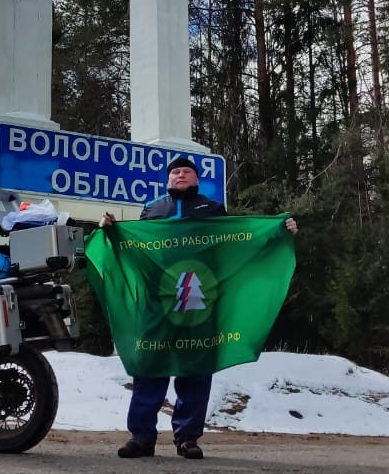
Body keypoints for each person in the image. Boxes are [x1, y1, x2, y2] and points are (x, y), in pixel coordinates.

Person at [100, 155, 297, 460]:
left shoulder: (213, 209)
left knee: (196, 368)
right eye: (175, 172)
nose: (180, 175)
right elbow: (137, 251)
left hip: (202, 301)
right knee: (150, 366)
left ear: (197, 179)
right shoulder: (153, 210)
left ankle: (187, 438)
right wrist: (111, 231)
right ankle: (141, 438)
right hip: (159, 304)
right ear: (167, 180)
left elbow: (239, 241)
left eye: (186, 172)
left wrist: (279, 230)